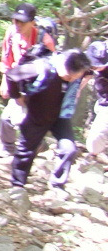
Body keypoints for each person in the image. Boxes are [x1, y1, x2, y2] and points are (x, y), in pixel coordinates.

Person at [5, 48, 91, 194]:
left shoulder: (82, 69)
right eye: (69, 76)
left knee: (69, 149)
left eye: (75, 77)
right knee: (26, 150)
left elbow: (94, 68)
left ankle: (57, 184)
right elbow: (12, 75)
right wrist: (16, 96)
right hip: (36, 114)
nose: (71, 79)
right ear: (63, 65)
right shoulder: (41, 67)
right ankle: (17, 185)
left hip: (61, 116)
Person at [0, 3, 57, 157]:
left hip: (37, 85)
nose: (18, 25)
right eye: (15, 21)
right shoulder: (11, 33)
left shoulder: (44, 40)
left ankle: (35, 145)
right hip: (17, 80)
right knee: (7, 118)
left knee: (22, 119)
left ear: (32, 22)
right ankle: (8, 148)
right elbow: (6, 57)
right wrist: (5, 79)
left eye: (22, 22)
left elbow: (52, 68)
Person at [84, 42, 108, 164]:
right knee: (96, 138)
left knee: (98, 135)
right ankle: (93, 155)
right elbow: (84, 76)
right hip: (102, 101)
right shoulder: (88, 62)